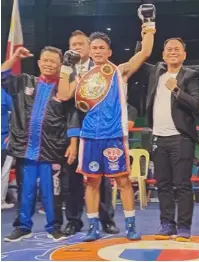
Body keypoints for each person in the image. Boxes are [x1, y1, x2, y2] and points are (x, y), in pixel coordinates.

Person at [57, 25, 155, 241]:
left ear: (109, 52)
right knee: (91, 182)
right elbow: (63, 94)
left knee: (123, 181)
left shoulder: (119, 72)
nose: (98, 51)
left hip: (114, 136)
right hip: (90, 136)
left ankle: (130, 226)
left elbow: (145, 52)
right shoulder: (82, 77)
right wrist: (65, 68)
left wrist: (149, 25)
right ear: (89, 51)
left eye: (102, 47)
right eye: (94, 48)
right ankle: (93, 227)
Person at [1, 46, 80, 242]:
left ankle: (54, 227)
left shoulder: (63, 89)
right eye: (45, 60)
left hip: (52, 150)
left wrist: (73, 143)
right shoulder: (24, 82)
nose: (48, 64)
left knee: (52, 192)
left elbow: (72, 117)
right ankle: (22, 226)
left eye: (53, 61)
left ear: (60, 65)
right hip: (25, 150)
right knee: (25, 191)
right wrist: (14, 57)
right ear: (38, 63)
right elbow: (2, 75)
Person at [135, 37, 199, 241]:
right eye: (169, 49)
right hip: (158, 137)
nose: (172, 52)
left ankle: (183, 227)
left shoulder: (191, 75)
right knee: (163, 184)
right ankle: (166, 225)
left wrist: (176, 89)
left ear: (184, 55)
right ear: (163, 54)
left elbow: (197, 104)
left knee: (182, 184)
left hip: (180, 137)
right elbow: (140, 55)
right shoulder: (156, 71)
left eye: (177, 49)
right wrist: (147, 30)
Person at [60, 30, 119, 236]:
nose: (76, 47)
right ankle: (74, 220)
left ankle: (106, 220)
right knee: (72, 178)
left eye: (80, 44)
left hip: (100, 132)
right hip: (73, 132)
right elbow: (66, 103)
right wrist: (73, 139)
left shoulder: (105, 71)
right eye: (72, 44)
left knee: (101, 178)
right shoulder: (68, 71)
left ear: (89, 48)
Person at [1, 88, 14, 209]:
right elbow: (17, 112)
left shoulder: (4, 93)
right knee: (3, 173)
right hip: (4, 139)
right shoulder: (4, 93)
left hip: (3, 140)